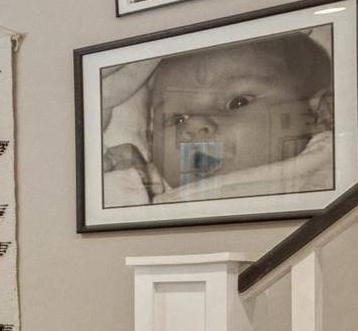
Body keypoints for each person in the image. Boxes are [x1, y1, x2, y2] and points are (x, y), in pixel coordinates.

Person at [100, 32, 333, 206]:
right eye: (178, 119)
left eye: (237, 103)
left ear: (319, 113)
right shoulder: (155, 192)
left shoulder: (329, 167)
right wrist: (128, 177)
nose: (193, 127)